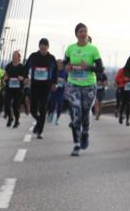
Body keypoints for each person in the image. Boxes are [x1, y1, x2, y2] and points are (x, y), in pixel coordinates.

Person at [64, 23, 103, 157]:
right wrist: (67, 67)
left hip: (89, 85)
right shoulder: (70, 48)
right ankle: (76, 144)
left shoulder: (93, 49)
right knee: (77, 111)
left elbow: (100, 68)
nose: (83, 33)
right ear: (76, 34)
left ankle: (85, 132)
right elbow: (65, 64)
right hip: (73, 84)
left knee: (86, 112)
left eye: (85, 31)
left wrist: (88, 67)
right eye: (81, 31)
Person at [25, 38, 58, 139]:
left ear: (48, 48)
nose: (43, 50)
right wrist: (25, 77)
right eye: (41, 48)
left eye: (45, 49)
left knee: (43, 108)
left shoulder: (51, 58)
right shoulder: (33, 56)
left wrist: (54, 83)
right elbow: (26, 68)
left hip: (46, 87)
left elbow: (55, 72)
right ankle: (39, 122)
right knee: (34, 110)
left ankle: (40, 131)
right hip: (35, 86)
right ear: (39, 47)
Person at [3, 50, 26, 128]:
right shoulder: (8, 66)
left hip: (18, 89)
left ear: (19, 58)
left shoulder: (22, 67)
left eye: (15, 56)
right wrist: (5, 78)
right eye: (13, 56)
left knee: (15, 105)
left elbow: (26, 79)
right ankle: (10, 117)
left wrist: (22, 78)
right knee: (6, 104)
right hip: (9, 88)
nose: (14, 58)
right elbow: (5, 75)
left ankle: (17, 121)